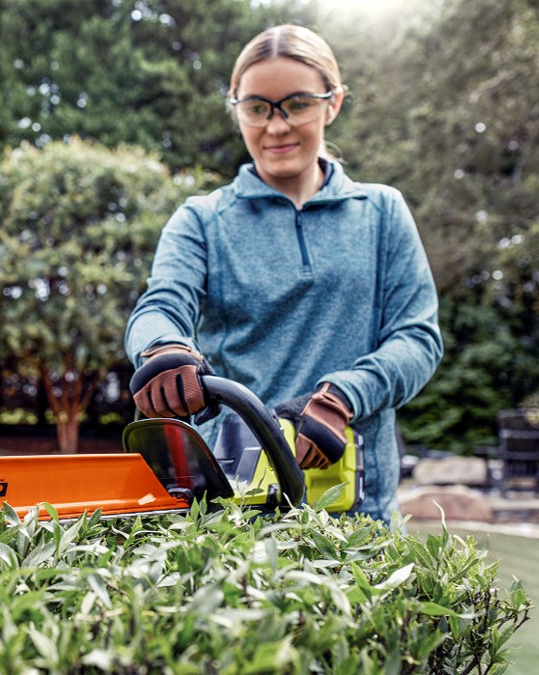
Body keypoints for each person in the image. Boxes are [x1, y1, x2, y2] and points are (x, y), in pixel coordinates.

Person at [124, 24, 443, 524]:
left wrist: (345, 396)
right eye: (257, 107)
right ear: (236, 109)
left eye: (296, 104)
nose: (276, 127)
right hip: (232, 506)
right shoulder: (202, 219)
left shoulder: (382, 212)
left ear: (331, 104)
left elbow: (417, 338)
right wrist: (162, 346)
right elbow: (160, 305)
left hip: (360, 510)